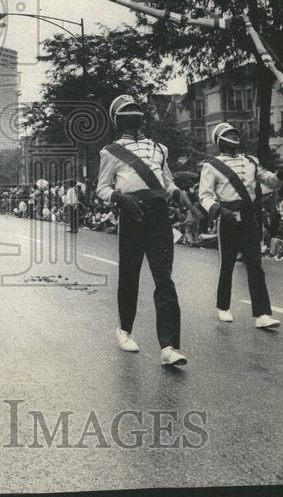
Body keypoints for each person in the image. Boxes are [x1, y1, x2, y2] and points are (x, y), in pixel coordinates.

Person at [96, 94, 196, 366]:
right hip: (131, 215)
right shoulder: (110, 151)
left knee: (164, 279)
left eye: (136, 109)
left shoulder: (160, 148)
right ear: (118, 120)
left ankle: (169, 347)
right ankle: (125, 330)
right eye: (127, 110)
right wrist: (120, 198)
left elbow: (166, 182)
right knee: (130, 277)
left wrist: (179, 195)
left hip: (159, 217)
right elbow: (102, 188)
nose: (134, 113)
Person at [198, 122, 281, 329]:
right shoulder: (212, 165)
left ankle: (262, 314)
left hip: (249, 217)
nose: (235, 136)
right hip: (227, 218)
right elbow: (204, 196)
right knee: (227, 264)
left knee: (254, 264)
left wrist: (279, 176)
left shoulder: (251, 161)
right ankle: (223, 306)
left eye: (236, 133)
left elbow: (268, 181)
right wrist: (218, 210)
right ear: (220, 141)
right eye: (229, 134)